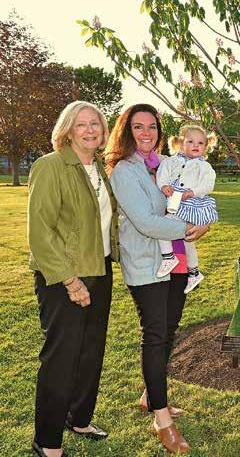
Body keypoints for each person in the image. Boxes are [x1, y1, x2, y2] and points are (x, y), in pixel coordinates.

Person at [105, 104, 209, 454]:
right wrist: (191, 226)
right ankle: (162, 420)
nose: (146, 133)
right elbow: (145, 222)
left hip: (177, 259)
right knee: (154, 334)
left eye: (152, 126)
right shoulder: (124, 170)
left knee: (169, 330)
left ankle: (150, 395)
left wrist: (202, 220)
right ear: (126, 131)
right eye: (138, 126)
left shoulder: (167, 162)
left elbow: (195, 193)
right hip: (146, 263)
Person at [28, 101, 118, 457]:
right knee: (62, 357)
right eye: (81, 124)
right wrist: (70, 280)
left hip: (100, 269)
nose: (90, 129)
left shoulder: (99, 169)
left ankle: (79, 418)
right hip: (63, 276)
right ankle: (47, 441)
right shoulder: (50, 166)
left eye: (96, 123)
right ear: (67, 130)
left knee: (91, 352)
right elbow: (41, 232)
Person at [156, 124, 219, 293]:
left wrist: (194, 192)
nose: (196, 145)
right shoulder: (170, 161)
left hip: (193, 204)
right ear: (180, 143)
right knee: (187, 240)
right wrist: (164, 186)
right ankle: (194, 272)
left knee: (166, 227)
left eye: (200, 143)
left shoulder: (204, 166)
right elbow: (162, 174)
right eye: (190, 141)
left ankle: (168, 257)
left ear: (206, 146)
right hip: (176, 202)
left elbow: (208, 184)